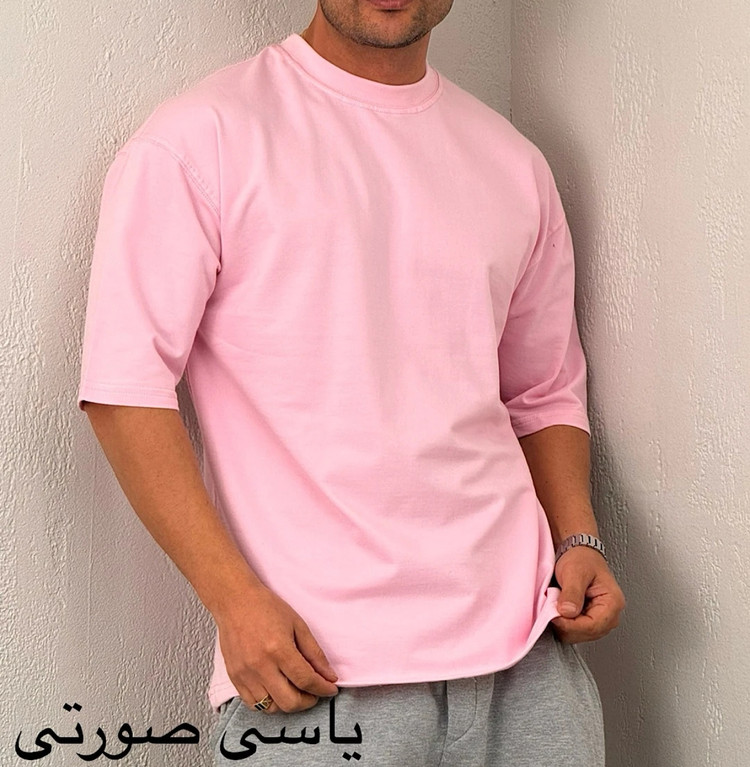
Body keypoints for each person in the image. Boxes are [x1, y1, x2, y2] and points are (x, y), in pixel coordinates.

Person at [76, 1, 626, 764]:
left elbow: (543, 390)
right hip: (315, 671)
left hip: (530, 660)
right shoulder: (200, 139)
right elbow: (124, 387)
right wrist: (234, 600)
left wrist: (577, 537)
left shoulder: (512, 162)